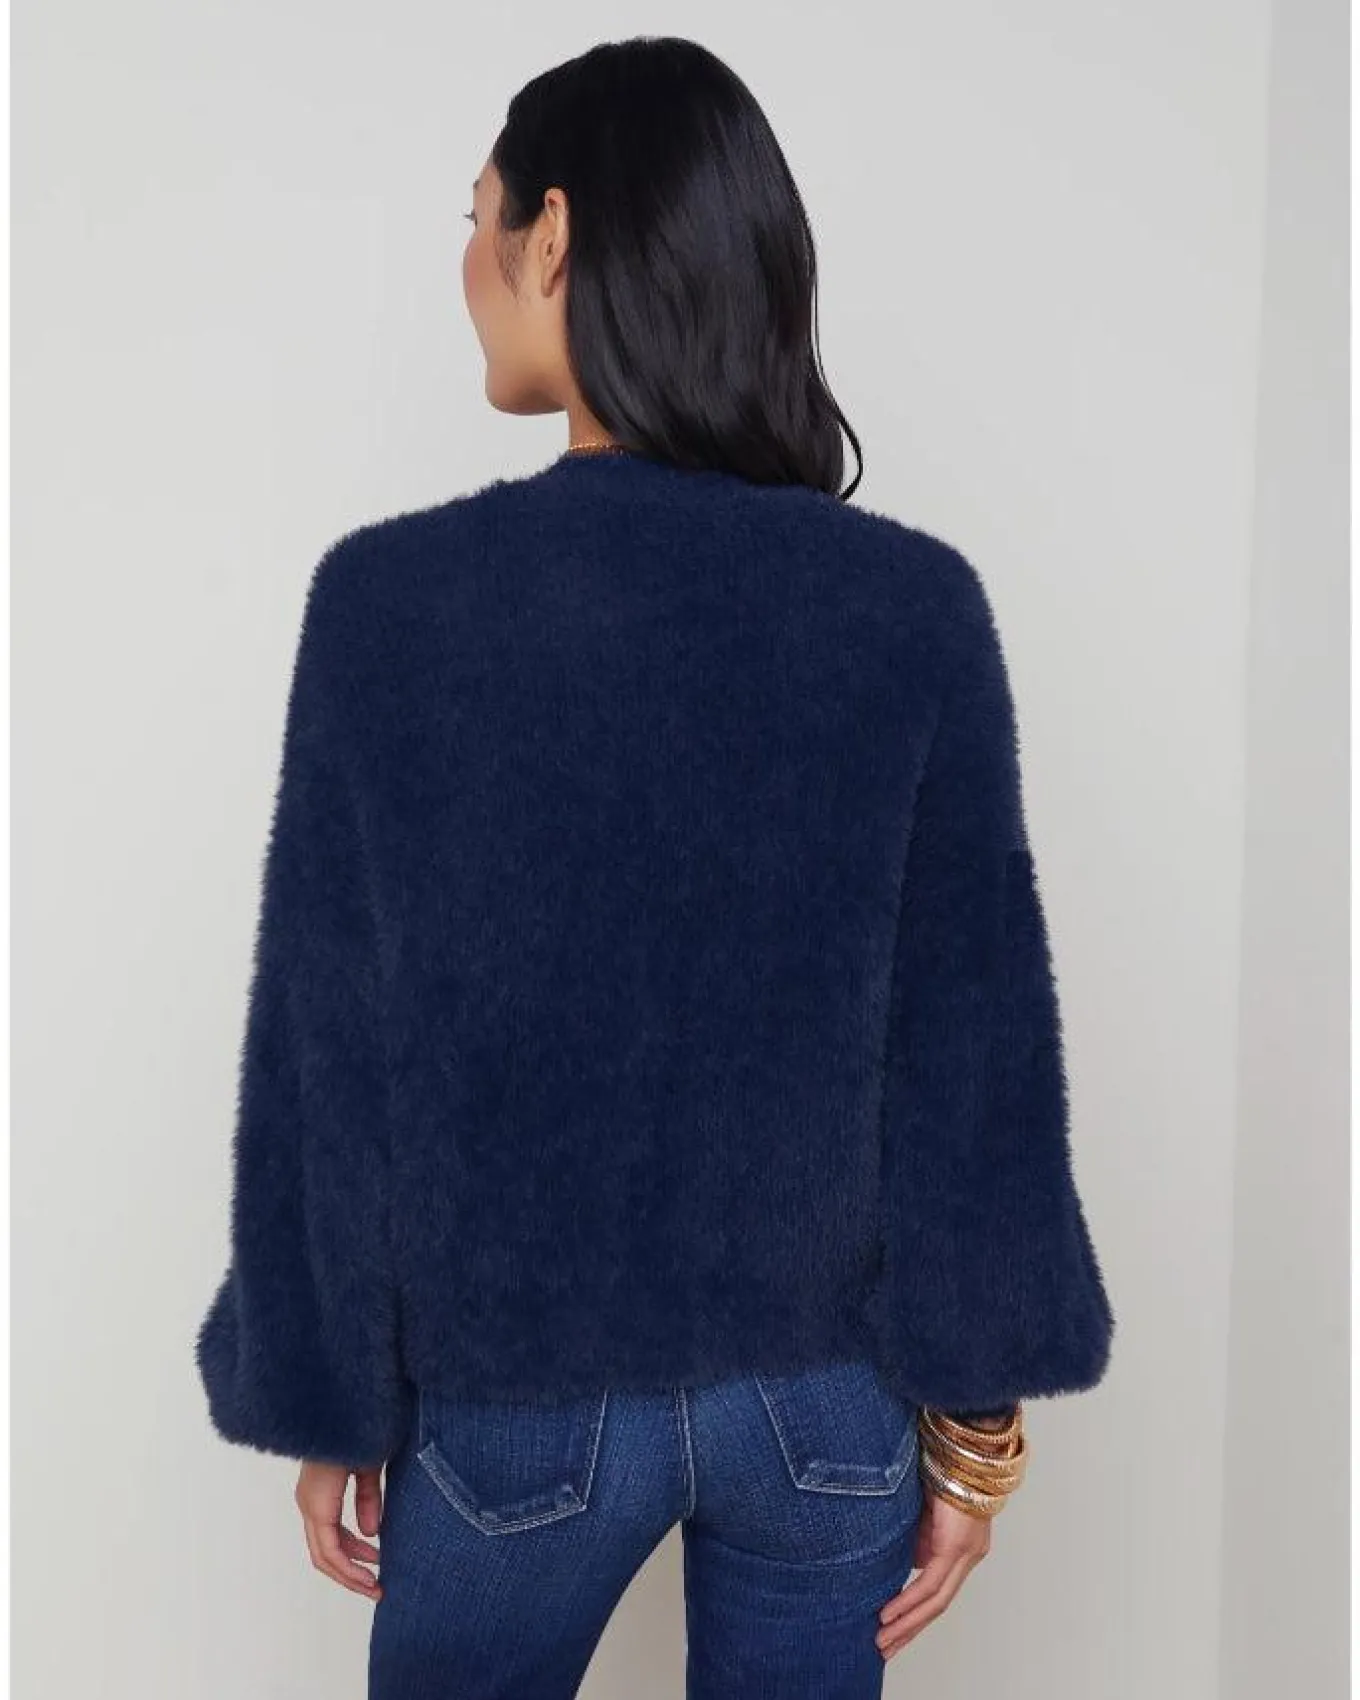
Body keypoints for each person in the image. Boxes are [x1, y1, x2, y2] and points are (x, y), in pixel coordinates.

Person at [193, 34, 1115, 1700]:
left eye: (477, 219)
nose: (466, 266)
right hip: (825, 1408)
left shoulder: (391, 608)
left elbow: (334, 1045)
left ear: (553, 235)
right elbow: (971, 1046)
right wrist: (975, 1432)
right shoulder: (911, 611)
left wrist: (326, 1387)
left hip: (517, 1402)